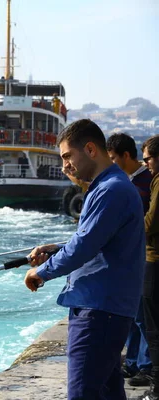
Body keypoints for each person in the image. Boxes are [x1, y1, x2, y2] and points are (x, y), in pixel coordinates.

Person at [24, 119, 145, 400]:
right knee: (107, 392)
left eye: (68, 156)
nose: (65, 165)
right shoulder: (110, 186)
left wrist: (42, 271)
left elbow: (84, 245)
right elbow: (96, 240)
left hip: (99, 310)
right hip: (104, 307)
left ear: (90, 149)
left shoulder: (111, 190)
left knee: (82, 393)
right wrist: (56, 248)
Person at [107, 133, 153, 386]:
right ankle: (133, 362)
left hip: (144, 256)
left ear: (126, 155)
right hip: (131, 256)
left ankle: (145, 365)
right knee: (133, 314)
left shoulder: (146, 182)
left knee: (142, 315)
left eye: (114, 158)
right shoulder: (126, 181)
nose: (112, 163)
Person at [141, 135, 159, 399]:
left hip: (154, 261)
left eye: (148, 158)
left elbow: (151, 222)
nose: (145, 164)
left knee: (152, 325)